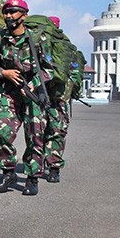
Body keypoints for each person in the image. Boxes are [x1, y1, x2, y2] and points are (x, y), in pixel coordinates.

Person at [0, 0, 53, 196]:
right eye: (6, 12)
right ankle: (8, 172)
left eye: (13, 12)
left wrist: (32, 84)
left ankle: (32, 178)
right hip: (10, 93)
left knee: (35, 136)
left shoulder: (38, 39)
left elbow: (49, 70)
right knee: (0, 130)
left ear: (24, 15)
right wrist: (3, 72)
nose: (8, 16)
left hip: (33, 94)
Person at [42, 16, 70, 183]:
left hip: (46, 95)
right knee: (55, 132)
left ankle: (52, 166)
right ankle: (53, 167)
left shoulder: (61, 46)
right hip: (56, 97)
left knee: (48, 131)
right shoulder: (65, 45)